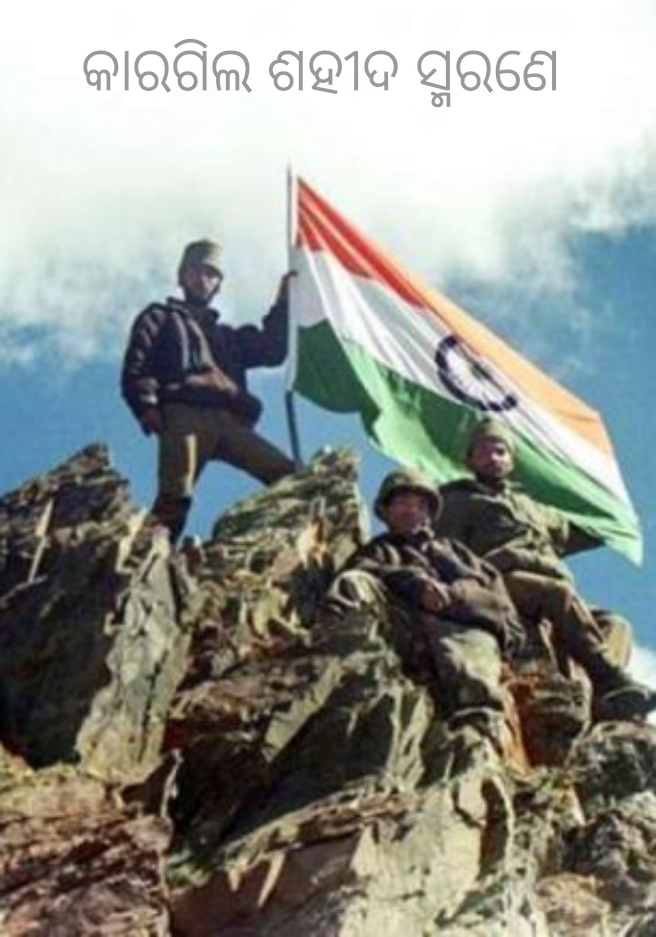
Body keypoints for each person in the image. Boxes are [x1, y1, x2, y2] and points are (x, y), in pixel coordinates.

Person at [437, 417, 656, 720]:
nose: (493, 458)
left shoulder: (533, 507)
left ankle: (602, 701)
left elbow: (578, 532)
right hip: (496, 582)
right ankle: (610, 678)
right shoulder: (457, 500)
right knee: (557, 594)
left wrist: (618, 518)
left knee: (616, 624)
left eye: (500, 451)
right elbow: (445, 549)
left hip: (543, 580)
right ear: (470, 459)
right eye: (484, 451)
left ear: (512, 460)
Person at [121, 239, 296, 542]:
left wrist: (284, 302)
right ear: (182, 277)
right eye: (195, 271)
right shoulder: (161, 316)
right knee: (175, 496)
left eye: (211, 274)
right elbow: (138, 364)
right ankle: (145, 556)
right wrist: (146, 405)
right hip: (182, 413)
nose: (203, 279)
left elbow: (272, 350)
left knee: (289, 476)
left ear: (218, 284)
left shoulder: (229, 337)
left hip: (229, 419)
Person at [325, 469, 525, 728]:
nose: (410, 511)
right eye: (401, 503)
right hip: (405, 624)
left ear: (429, 515)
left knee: (473, 687)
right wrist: (413, 583)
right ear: (386, 511)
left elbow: (500, 602)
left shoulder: (457, 552)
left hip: (461, 628)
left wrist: (460, 596)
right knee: (353, 582)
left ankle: (476, 733)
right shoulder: (378, 549)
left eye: (419, 506)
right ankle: (337, 659)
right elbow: (362, 570)